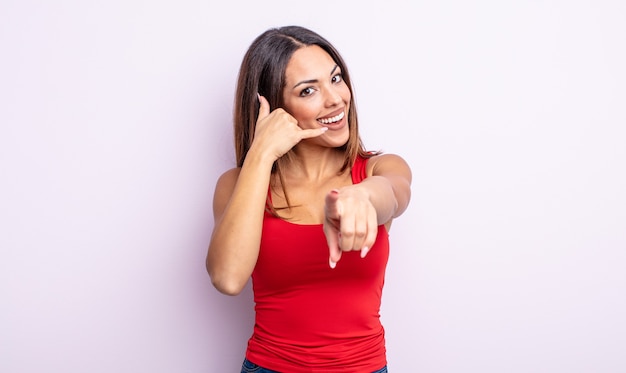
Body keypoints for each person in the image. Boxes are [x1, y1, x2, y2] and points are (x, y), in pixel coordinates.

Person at [206, 25, 412, 373]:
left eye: (335, 78)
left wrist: (362, 195)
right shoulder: (238, 185)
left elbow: (394, 194)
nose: (335, 99)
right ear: (273, 107)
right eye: (308, 90)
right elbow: (227, 278)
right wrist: (261, 154)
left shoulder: (378, 169)